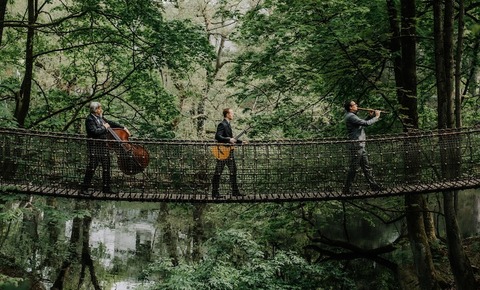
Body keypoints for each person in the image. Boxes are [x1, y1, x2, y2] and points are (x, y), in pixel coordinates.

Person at [80, 102, 130, 195]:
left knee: (106, 167)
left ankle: (106, 189)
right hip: (94, 147)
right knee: (92, 168)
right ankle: (84, 189)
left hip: (103, 146)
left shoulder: (101, 118)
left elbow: (110, 123)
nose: (101, 110)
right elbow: (94, 132)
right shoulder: (89, 119)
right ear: (96, 110)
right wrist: (104, 127)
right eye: (100, 108)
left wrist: (123, 128)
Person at [343, 100, 382, 194]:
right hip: (357, 145)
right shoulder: (351, 116)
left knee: (366, 167)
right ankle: (346, 189)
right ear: (350, 107)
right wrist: (376, 117)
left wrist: (369, 116)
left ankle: (374, 187)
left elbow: (360, 125)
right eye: (354, 105)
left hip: (360, 145)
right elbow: (366, 124)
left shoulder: (352, 116)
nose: (357, 106)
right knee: (353, 168)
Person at [211, 108, 246, 198]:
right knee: (218, 172)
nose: (233, 114)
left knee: (233, 171)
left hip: (228, 152)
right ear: (227, 114)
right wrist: (229, 139)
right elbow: (218, 136)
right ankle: (215, 193)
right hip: (223, 152)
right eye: (231, 113)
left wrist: (241, 142)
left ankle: (234, 192)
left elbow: (231, 139)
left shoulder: (228, 124)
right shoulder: (222, 124)